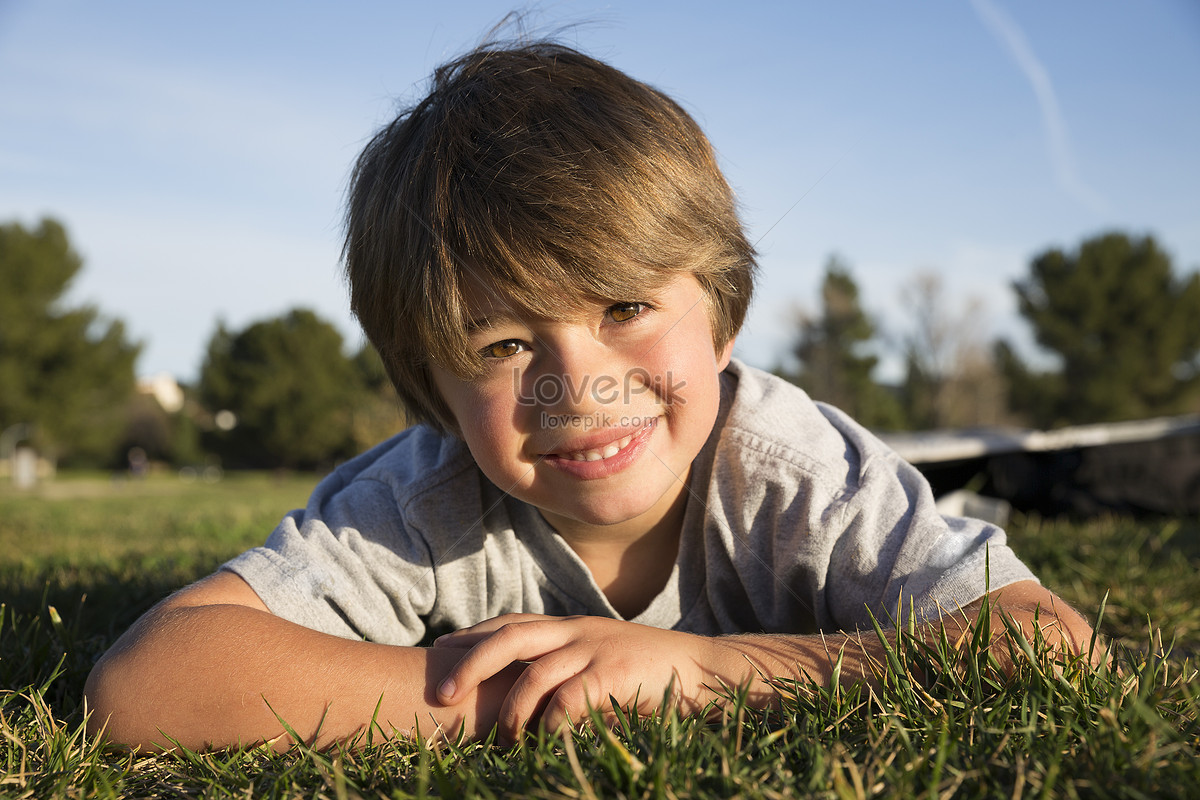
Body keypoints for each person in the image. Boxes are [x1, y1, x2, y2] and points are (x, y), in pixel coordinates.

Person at [84, 39, 1094, 752]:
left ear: (722, 314)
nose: (581, 384)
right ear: (429, 386)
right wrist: (543, 696)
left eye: (624, 305)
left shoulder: (796, 472)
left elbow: (1051, 647)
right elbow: (149, 682)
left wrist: (701, 674)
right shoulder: (420, 504)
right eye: (504, 340)